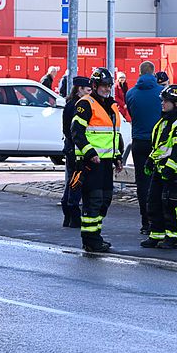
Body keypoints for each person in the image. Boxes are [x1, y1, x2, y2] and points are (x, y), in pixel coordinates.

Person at [70, 67, 124, 253]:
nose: (106, 88)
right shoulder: (85, 104)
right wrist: (90, 153)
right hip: (90, 162)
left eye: (108, 85)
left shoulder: (112, 106)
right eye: (102, 85)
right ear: (94, 86)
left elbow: (114, 135)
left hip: (107, 162)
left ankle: (96, 236)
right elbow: (76, 132)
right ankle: (90, 240)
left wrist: (118, 157)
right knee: (93, 201)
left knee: (105, 200)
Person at [141, 85, 177, 249]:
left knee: (172, 205)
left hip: (174, 172)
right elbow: (160, 147)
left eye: (166, 101)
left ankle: (174, 237)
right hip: (160, 169)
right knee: (154, 202)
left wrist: (169, 169)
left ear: (176, 103)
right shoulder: (165, 121)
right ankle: (156, 234)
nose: (162, 104)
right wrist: (150, 160)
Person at [125, 61, 163, 233]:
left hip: (139, 142)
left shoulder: (131, 93)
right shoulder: (162, 93)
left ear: (139, 73)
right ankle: (158, 220)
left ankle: (145, 221)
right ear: (154, 73)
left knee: (142, 183)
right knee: (159, 181)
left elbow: (132, 114)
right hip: (158, 143)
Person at [60, 76, 92, 228]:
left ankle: (68, 211)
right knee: (76, 182)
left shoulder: (69, 104)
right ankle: (73, 213)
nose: (90, 93)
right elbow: (75, 131)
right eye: (88, 90)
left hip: (70, 148)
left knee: (72, 181)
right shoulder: (78, 106)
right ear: (80, 89)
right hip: (76, 149)